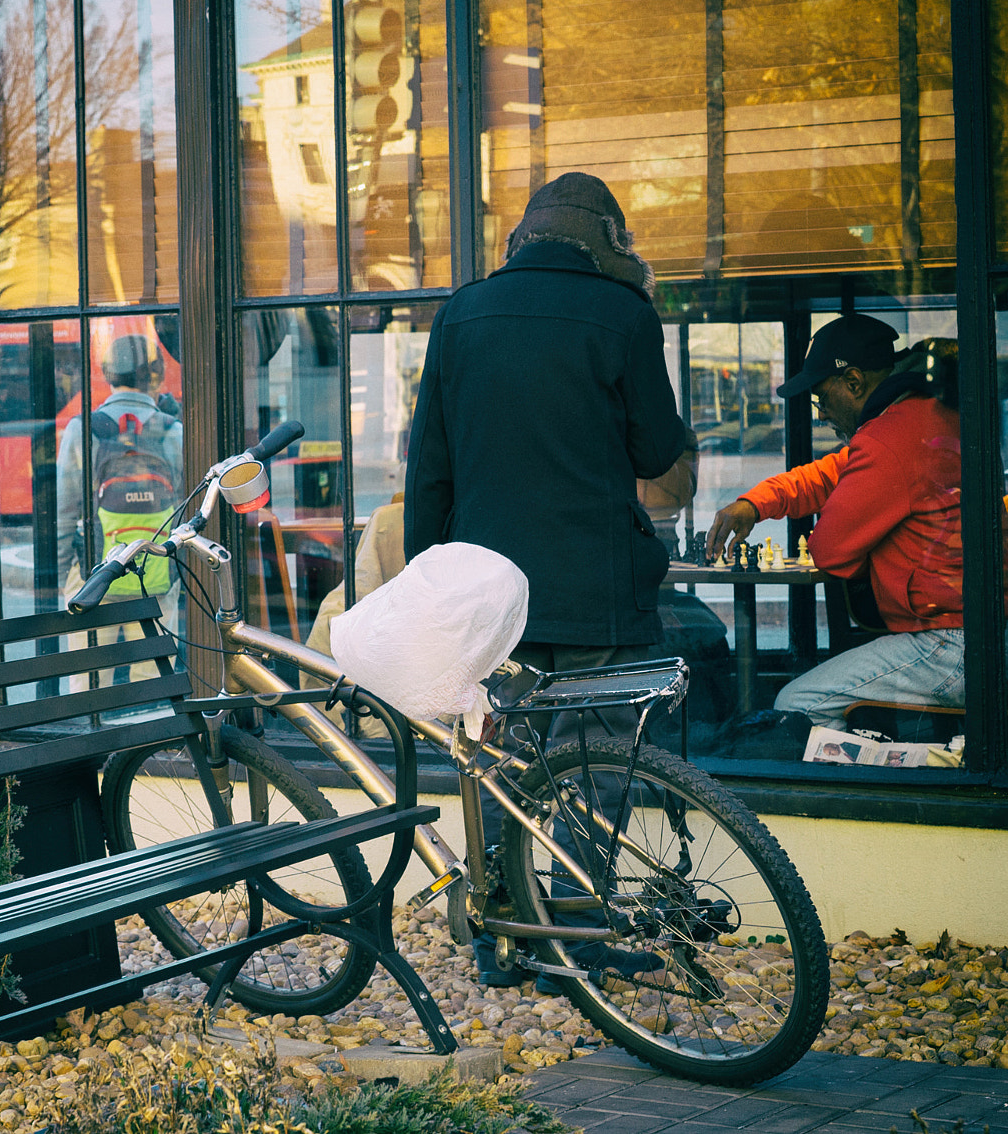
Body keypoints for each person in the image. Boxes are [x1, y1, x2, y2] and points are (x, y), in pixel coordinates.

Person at [404, 171, 687, 990]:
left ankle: (505, 938)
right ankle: (578, 944)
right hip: (594, 589)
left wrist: (434, 585)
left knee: (501, 763)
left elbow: (432, 469)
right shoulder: (623, 315)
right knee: (595, 768)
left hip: (492, 599)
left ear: (523, 236)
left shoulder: (461, 314)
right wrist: (640, 303)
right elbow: (656, 453)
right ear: (607, 240)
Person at [706, 317, 1008, 727]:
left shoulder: (888, 439)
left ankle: (861, 784)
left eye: (822, 397)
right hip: (998, 634)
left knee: (797, 703)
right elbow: (827, 474)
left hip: (954, 643)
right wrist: (754, 503)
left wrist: (860, 529)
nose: (821, 414)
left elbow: (828, 552)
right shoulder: (923, 417)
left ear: (854, 382)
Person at [55, 333, 185, 686]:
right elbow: (187, 511)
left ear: (108, 374)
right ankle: (155, 740)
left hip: (95, 572)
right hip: (155, 572)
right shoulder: (173, 431)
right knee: (155, 680)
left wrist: (63, 571)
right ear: (156, 374)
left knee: (88, 681)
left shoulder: (84, 429)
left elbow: (66, 510)